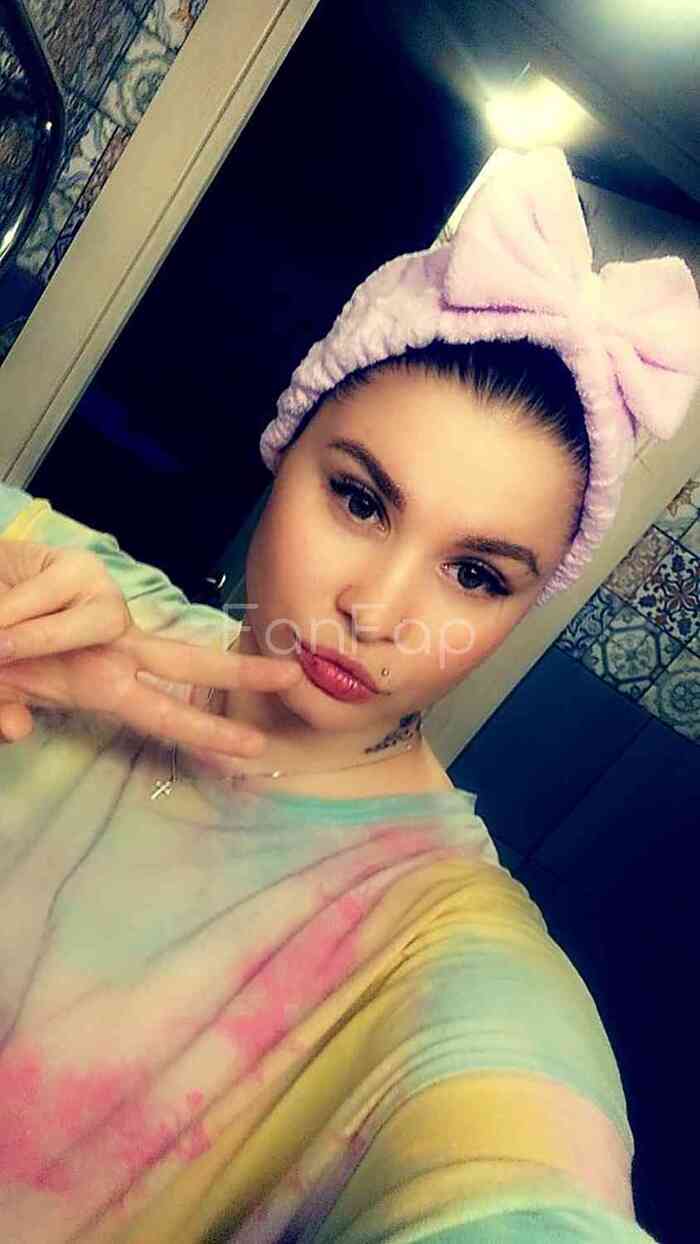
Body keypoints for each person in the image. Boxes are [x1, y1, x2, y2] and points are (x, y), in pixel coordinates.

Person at [0, 146, 697, 1243]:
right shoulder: (55, 597)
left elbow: (521, 1187)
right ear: (285, 450)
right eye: (362, 500)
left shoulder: (443, 943)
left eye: (476, 574)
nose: (377, 609)